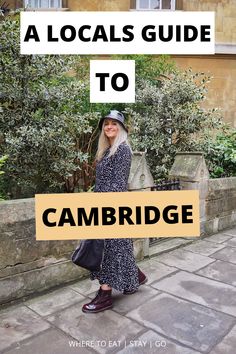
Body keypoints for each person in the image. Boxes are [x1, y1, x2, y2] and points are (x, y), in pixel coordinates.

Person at [82, 110, 147, 314]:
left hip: (112, 207)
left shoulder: (122, 150)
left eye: (114, 124)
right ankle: (135, 277)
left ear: (121, 128)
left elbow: (117, 185)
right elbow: (102, 182)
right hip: (105, 204)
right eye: (106, 124)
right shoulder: (106, 150)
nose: (109, 127)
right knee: (119, 246)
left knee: (107, 252)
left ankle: (105, 296)